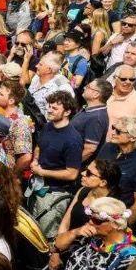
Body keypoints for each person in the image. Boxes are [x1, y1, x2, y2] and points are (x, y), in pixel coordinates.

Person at [52, 197, 136, 270]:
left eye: (97, 220)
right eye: (89, 218)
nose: (90, 222)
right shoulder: (91, 235)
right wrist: (74, 232)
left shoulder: (129, 257)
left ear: (116, 224)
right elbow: (57, 245)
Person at [30, 91, 83, 238]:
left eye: (54, 108)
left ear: (67, 112)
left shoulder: (73, 140)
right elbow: (39, 146)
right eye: (49, 106)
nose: (49, 110)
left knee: (46, 234)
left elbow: (72, 173)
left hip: (55, 194)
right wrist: (35, 160)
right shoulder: (48, 126)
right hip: (38, 187)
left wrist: (42, 172)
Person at [70, 79, 111, 165]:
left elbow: (89, 149)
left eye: (88, 87)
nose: (84, 88)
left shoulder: (96, 117)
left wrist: (69, 165)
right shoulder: (90, 110)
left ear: (96, 94)